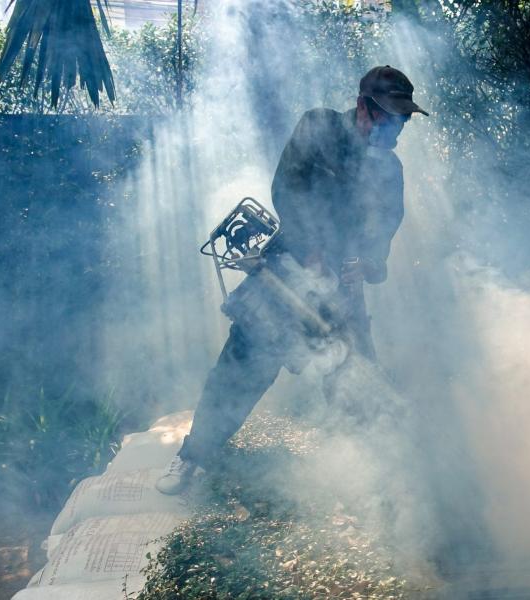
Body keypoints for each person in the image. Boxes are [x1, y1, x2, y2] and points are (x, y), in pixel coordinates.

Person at [156, 65, 427, 495]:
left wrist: (372, 263)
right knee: (242, 366)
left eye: (404, 120)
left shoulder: (389, 169)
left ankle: (383, 487)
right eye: (390, 117)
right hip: (287, 267)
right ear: (363, 107)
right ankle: (192, 457)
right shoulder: (318, 125)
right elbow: (287, 186)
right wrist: (311, 247)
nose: (397, 128)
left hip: (340, 283)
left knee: (356, 377)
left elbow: (387, 223)